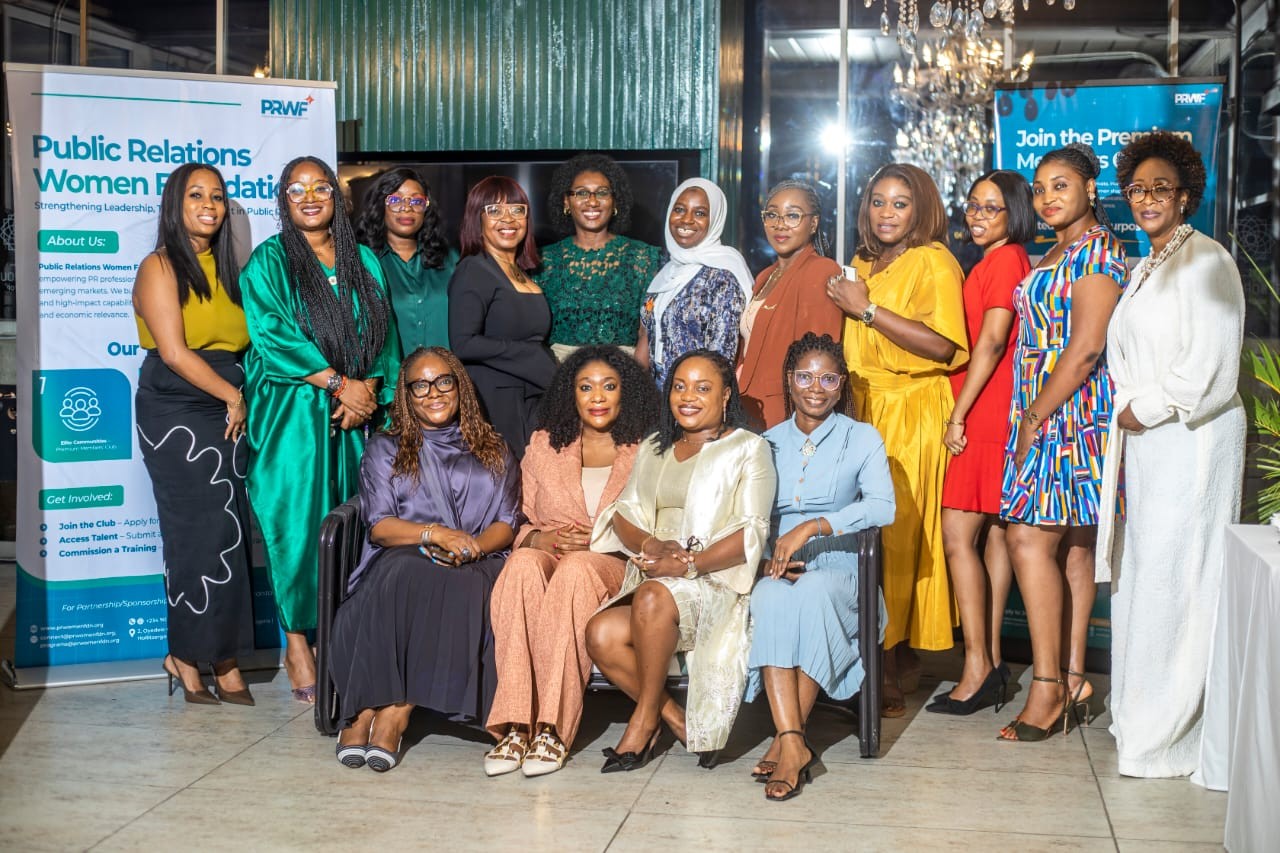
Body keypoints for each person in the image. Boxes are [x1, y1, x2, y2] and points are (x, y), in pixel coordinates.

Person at [1096, 133, 1245, 775]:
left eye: (1161, 188)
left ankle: (1170, 734)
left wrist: (1145, 408)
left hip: (1191, 438)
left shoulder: (1207, 259)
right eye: (1137, 189)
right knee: (1145, 579)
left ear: (1185, 195)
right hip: (1150, 445)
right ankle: (1140, 716)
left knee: (1179, 580)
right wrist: (1132, 413)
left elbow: (1212, 366)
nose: (1147, 198)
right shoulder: (1146, 264)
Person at [241, 155, 400, 703]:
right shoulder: (269, 261)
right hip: (292, 410)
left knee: (352, 521)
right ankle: (297, 643)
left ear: (337, 195)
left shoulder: (364, 260)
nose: (309, 198)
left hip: (354, 412)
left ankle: (340, 633)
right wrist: (339, 384)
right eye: (296, 189)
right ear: (283, 200)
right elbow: (272, 335)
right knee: (295, 522)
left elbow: (383, 331)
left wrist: (369, 389)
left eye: (320, 187)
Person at [328, 347, 519, 771]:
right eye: (421, 385)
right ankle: (365, 708)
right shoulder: (385, 447)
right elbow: (380, 526)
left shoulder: (494, 447)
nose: (434, 393)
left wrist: (472, 547)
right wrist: (435, 534)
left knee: (463, 582)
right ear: (407, 394)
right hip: (405, 552)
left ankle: (396, 712)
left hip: (478, 558)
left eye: (443, 381)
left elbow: (507, 522)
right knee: (406, 569)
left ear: (460, 386)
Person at [586, 350, 775, 770]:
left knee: (653, 597)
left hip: (713, 581)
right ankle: (674, 718)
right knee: (600, 633)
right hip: (655, 576)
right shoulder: (655, 447)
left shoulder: (749, 449)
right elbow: (623, 512)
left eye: (703, 388)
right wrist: (652, 545)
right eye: (679, 386)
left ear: (726, 395)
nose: (688, 397)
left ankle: (641, 722)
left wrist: (689, 564)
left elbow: (752, 531)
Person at [825, 163, 968, 716]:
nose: (886, 212)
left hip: (911, 409)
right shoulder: (861, 262)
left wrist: (866, 309)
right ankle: (880, 654)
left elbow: (943, 346)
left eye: (900, 203)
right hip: (861, 408)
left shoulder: (933, 260)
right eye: (878, 201)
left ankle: (888, 663)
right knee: (862, 537)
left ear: (921, 208)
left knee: (897, 537)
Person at [998, 143, 1128, 742]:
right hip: (1044, 405)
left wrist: (1033, 417)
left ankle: (1046, 684)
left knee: (1026, 538)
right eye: (1040, 188)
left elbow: (1085, 349)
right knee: (1074, 550)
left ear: (1090, 189)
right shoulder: (1055, 250)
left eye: (1061, 185)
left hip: (1070, 413)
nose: (1048, 197)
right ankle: (1074, 678)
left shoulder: (1098, 250)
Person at [484, 345, 659, 777]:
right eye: (586, 387)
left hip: (616, 564)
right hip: (553, 555)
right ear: (571, 394)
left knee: (577, 570)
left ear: (625, 392)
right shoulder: (545, 445)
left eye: (608, 386)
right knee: (521, 565)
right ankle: (515, 725)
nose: (597, 397)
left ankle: (552, 729)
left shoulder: (648, 450)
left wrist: (599, 541)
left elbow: (657, 525)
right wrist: (538, 538)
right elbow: (521, 518)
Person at [747, 333, 895, 801]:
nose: (816, 388)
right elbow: (750, 515)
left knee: (813, 593)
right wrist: (765, 559)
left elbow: (883, 507)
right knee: (768, 597)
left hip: (844, 566)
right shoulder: (767, 443)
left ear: (841, 383)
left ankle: (786, 741)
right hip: (779, 564)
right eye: (805, 377)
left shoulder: (861, 437)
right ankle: (794, 741)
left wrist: (813, 527)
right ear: (789, 380)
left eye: (828, 378)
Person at [132, 162, 254, 706]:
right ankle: (185, 654)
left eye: (218, 196)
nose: (210, 205)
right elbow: (175, 353)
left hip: (229, 403)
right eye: (196, 195)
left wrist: (240, 396)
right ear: (175, 205)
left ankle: (223, 656)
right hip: (177, 405)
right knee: (193, 531)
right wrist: (232, 396)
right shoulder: (159, 266)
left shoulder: (230, 271)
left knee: (228, 529)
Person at [929, 171, 1034, 716]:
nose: (978, 215)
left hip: (985, 409)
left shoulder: (1005, 260)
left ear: (1015, 213)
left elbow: (991, 343)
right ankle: (990, 663)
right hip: (992, 405)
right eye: (973, 205)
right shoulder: (996, 259)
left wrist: (958, 414)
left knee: (957, 535)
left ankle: (975, 667)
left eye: (992, 208)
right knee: (992, 534)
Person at [448, 176, 557, 458]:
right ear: (477, 219)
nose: (508, 219)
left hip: (531, 398)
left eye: (517, 209)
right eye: (494, 210)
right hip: (497, 402)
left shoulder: (521, 272)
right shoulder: (474, 269)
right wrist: (532, 355)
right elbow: (463, 343)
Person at [737, 180, 844, 429]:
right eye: (772, 215)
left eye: (793, 215)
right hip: (748, 406)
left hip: (784, 413)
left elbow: (818, 360)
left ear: (813, 223)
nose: (780, 224)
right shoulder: (765, 276)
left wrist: (803, 428)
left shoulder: (821, 270)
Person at [539, 153, 663, 360]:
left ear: (614, 202)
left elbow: (648, 331)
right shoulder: (544, 261)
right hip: (557, 372)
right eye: (581, 193)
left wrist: (635, 376)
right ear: (566, 202)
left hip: (623, 372)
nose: (592, 201)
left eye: (602, 193)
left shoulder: (643, 258)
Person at [637, 178, 754, 388]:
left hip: (696, 395)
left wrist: (694, 396)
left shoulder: (723, 276)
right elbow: (645, 339)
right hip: (656, 394)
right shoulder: (666, 272)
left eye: (700, 213)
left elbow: (721, 358)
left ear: (714, 219)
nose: (687, 220)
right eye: (679, 209)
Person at [355, 166, 458, 354]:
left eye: (417, 201)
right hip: (390, 372)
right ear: (380, 206)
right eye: (395, 200)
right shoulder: (363, 262)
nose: (407, 208)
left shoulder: (450, 260)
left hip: (446, 371)